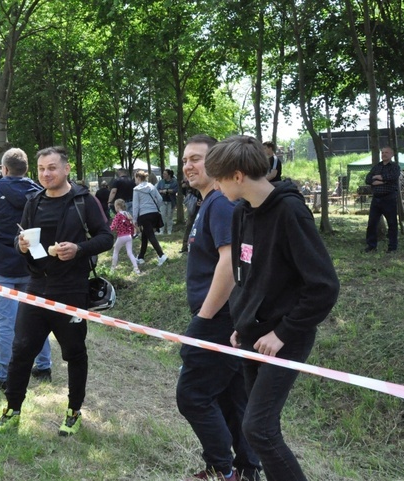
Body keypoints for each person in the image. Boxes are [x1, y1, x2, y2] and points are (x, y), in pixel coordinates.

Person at [204, 135, 339, 481]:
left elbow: (323, 287)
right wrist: (242, 320)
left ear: (236, 176)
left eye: (218, 179)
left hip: (284, 338)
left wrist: (282, 333)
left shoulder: (290, 212)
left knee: (258, 429)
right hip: (251, 335)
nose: (215, 187)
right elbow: (245, 276)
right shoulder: (240, 214)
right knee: (260, 430)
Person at [0, 146, 113, 436]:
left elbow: (106, 236)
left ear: (66, 169)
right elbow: (20, 240)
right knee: (21, 349)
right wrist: (19, 245)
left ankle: (73, 411)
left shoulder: (83, 200)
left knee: (74, 352)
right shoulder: (33, 201)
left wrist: (79, 249)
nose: (46, 174)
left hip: (72, 288)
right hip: (36, 285)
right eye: (42, 169)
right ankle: (13, 407)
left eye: (52, 168)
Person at [176, 134, 261, 481]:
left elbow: (229, 265)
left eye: (197, 158)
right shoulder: (209, 203)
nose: (188, 166)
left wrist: (203, 318)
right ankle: (246, 469)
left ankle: (220, 469)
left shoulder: (221, 204)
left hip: (220, 319)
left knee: (193, 395)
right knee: (231, 398)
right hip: (227, 318)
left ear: (217, 164)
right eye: (185, 160)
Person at [0, 148, 53, 390]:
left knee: (5, 323)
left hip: (2, 265)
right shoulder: (39, 192)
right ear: (27, 169)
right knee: (37, 319)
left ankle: (4, 375)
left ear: (5, 169)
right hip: (32, 265)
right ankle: (44, 366)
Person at [364, 146, 401, 253]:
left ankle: (392, 247)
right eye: (382, 152)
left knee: (392, 223)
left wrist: (379, 178)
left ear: (392, 154)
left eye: (386, 152)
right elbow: (368, 179)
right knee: (372, 223)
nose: (384, 154)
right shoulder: (377, 167)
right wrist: (382, 179)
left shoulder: (395, 167)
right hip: (376, 199)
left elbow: (393, 177)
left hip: (389, 198)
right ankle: (371, 246)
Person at [133, 170, 168, 266]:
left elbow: (135, 206)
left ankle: (161, 255)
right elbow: (160, 199)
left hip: (144, 215)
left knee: (150, 235)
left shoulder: (136, 189)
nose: (135, 180)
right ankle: (140, 257)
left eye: (135, 178)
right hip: (154, 213)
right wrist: (156, 207)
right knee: (145, 235)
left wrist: (134, 219)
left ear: (138, 178)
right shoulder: (152, 186)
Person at [110, 198, 140, 274]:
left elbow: (113, 226)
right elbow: (131, 225)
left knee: (115, 251)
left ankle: (112, 269)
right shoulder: (127, 214)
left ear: (117, 206)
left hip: (121, 236)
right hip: (129, 236)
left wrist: (108, 231)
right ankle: (136, 269)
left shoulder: (118, 215)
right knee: (130, 253)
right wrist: (132, 234)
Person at [156, 169, 179, 234]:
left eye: (165, 174)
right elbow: (157, 190)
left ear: (169, 175)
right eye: (163, 174)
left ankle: (169, 230)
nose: (163, 175)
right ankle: (161, 230)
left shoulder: (174, 181)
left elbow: (176, 190)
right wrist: (162, 191)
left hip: (171, 201)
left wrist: (167, 190)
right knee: (162, 216)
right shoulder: (161, 182)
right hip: (163, 201)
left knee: (169, 216)